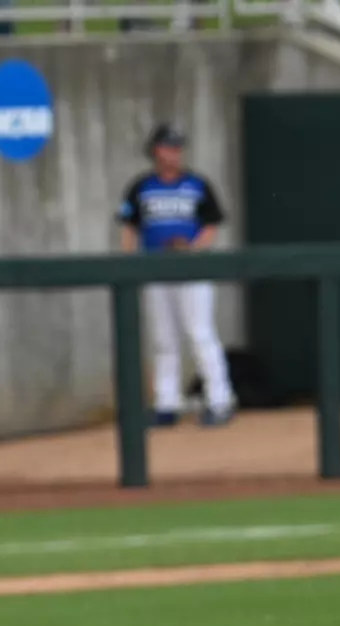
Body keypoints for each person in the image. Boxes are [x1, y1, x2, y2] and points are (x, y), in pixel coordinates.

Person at [117, 122, 236, 428]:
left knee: (200, 334)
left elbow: (212, 223)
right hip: (156, 268)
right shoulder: (141, 186)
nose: (175, 153)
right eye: (169, 147)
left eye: (178, 147)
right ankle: (166, 403)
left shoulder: (197, 184)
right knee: (163, 339)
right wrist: (131, 263)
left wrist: (194, 249)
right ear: (156, 150)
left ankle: (220, 400)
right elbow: (129, 226)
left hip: (192, 269)